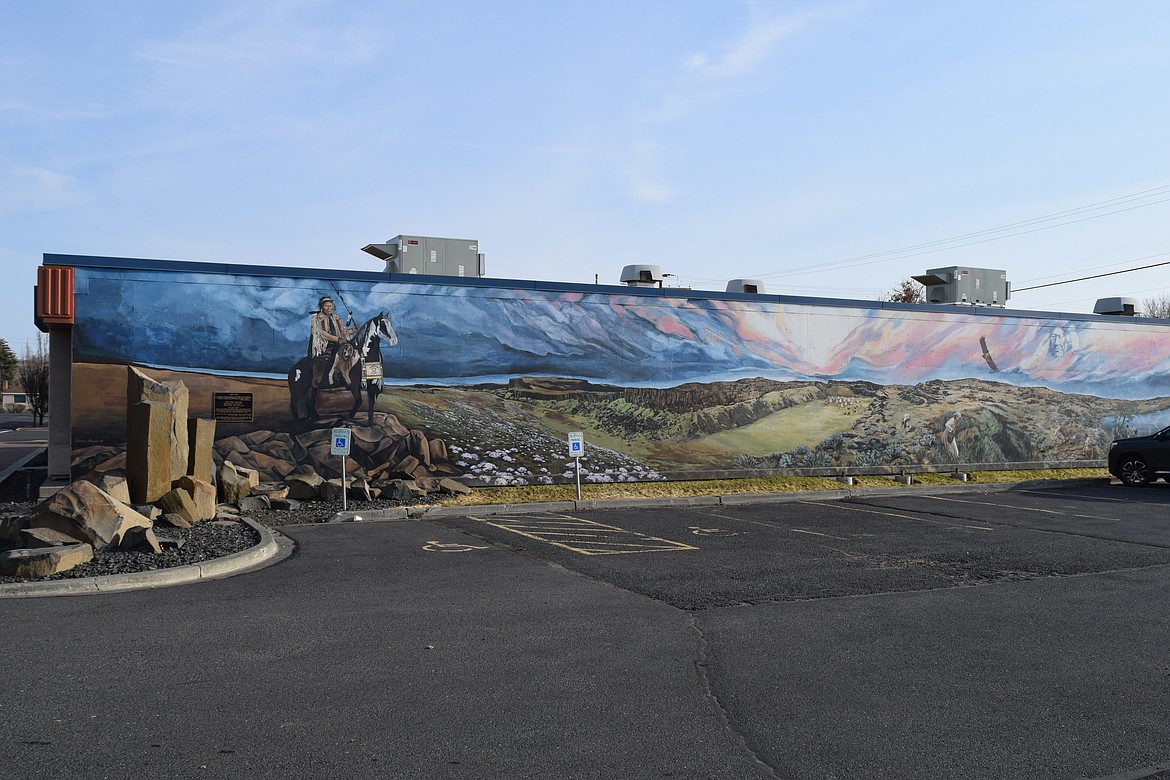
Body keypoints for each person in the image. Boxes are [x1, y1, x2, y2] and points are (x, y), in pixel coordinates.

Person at [307, 296, 355, 386]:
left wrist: (352, 330)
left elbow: (343, 333)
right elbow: (321, 333)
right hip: (324, 344)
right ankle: (324, 378)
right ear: (322, 307)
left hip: (337, 343)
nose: (329, 308)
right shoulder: (317, 318)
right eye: (327, 306)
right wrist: (337, 339)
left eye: (330, 306)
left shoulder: (336, 318)